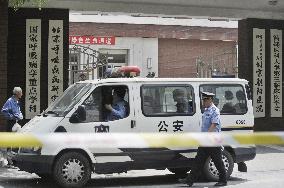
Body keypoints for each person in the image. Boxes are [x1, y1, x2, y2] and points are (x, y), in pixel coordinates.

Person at [179, 91, 227, 187]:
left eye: (205, 100)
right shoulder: (206, 110)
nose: (203, 102)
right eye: (203, 100)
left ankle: (223, 180)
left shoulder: (214, 110)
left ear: (210, 100)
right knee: (198, 160)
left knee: (217, 161)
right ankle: (190, 180)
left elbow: (214, 124)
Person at [1, 87, 23, 168]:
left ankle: (12, 160)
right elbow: (4, 111)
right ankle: (10, 162)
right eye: (21, 93)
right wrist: (12, 117)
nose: (22, 94)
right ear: (17, 93)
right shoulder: (10, 101)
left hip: (16, 123)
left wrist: (19, 115)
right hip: (11, 123)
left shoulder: (17, 101)